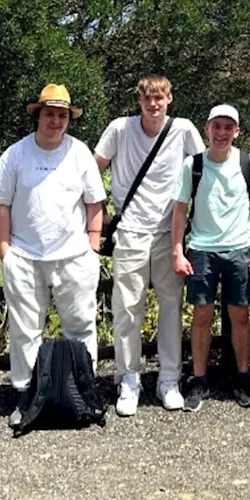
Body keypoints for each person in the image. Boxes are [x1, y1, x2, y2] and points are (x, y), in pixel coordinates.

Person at [0, 84, 106, 429]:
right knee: (25, 329)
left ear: (69, 119)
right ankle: (26, 395)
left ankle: (83, 391)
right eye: (50, 114)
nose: (56, 121)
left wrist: (93, 246)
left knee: (80, 325)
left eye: (62, 115)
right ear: (38, 114)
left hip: (73, 255)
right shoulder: (16, 154)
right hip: (24, 254)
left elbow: (95, 204)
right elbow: (2, 204)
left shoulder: (80, 153)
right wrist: (5, 251)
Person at [94, 75, 205, 417]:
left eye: (160, 98)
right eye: (148, 99)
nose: (154, 105)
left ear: (170, 99)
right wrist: (100, 214)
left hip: (168, 233)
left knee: (171, 307)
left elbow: (204, 168)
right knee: (127, 309)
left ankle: (169, 379)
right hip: (128, 231)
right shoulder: (119, 129)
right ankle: (129, 379)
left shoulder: (184, 129)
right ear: (139, 101)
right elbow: (90, 169)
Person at [171, 104, 250, 411]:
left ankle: (243, 376)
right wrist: (177, 249)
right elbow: (179, 209)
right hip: (201, 249)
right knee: (201, 316)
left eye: (229, 127)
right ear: (207, 129)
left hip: (239, 248)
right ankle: (199, 379)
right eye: (217, 126)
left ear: (237, 131)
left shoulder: (249, 163)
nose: (222, 133)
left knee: (239, 316)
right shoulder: (193, 165)